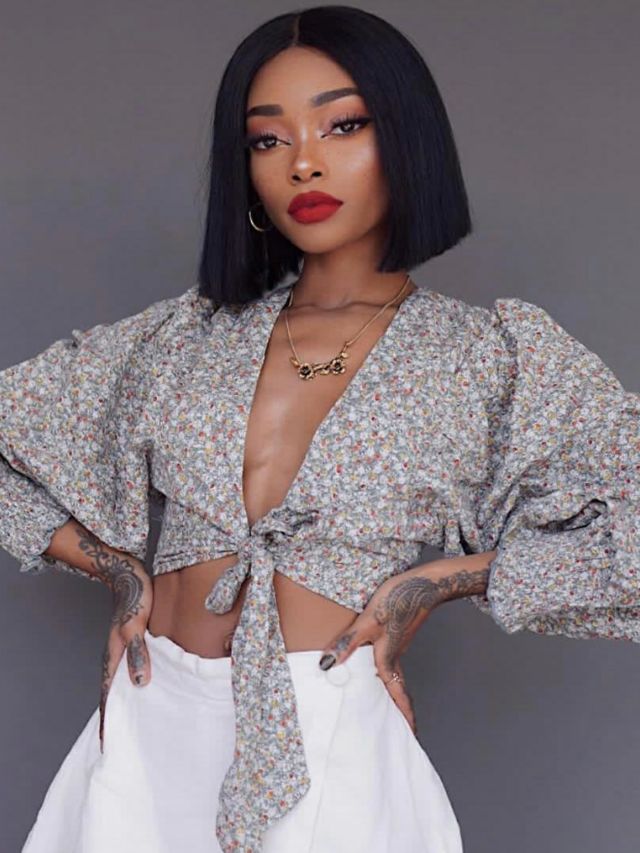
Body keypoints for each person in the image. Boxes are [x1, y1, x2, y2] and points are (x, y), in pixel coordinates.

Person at [3, 6, 637, 853]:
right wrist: (117, 569)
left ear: (405, 137)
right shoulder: (183, 337)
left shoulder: (483, 357)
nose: (303, 160)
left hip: (329, 732)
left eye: (343, 125)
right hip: (152, 725)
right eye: (268, 139)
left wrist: (439, 581)